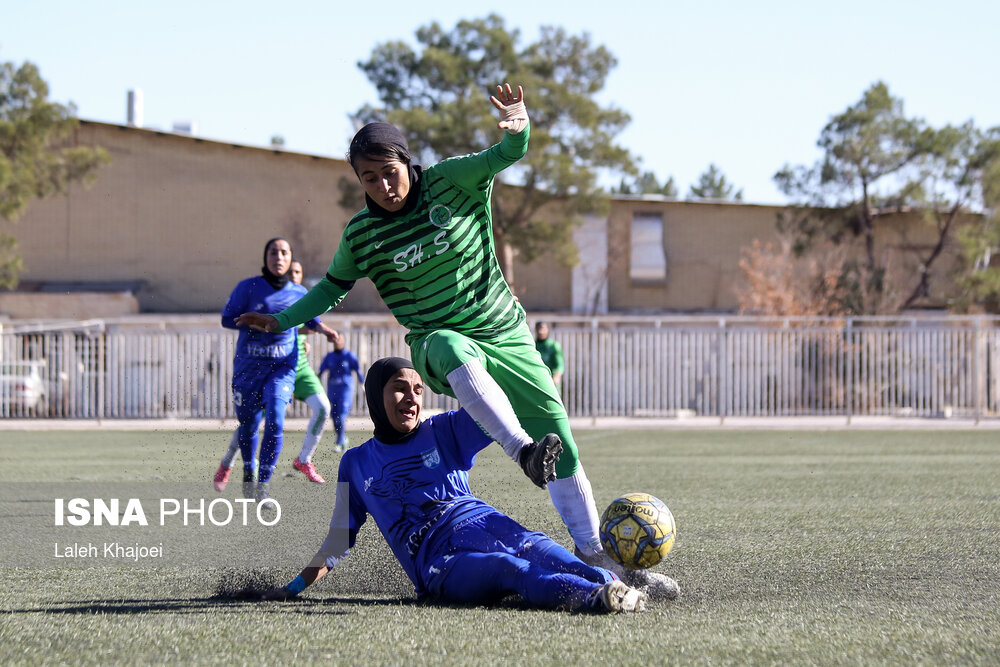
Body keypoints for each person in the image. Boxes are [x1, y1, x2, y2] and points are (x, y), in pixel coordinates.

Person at [235, 84, 678, 598]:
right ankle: (523, 452)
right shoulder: (360, 235)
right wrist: (285, 318)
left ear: (407, 161)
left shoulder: (451, 180)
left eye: (389, 171)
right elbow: (333, 286)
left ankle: (597, 556)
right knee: (450, 344)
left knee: (564, 439)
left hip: (505, 331)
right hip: (435, 340)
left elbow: (509, 152)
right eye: (369, 178)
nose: (382, 185)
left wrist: (518, 122)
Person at [260, 357, 648, 613]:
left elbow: (493, 400)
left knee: (549, 553)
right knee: (510, 569)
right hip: (438, 562)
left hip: (486, 523)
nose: (411, 397)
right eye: (399, 387)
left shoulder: (443, 430)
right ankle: (599, 599)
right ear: (376, 396)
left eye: (416, 389)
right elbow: (339, 541)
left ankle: (617, 586)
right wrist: (292, 588)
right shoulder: (356, 463)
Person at [221, 239, 337, 501]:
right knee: (249, 425)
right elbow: (226, 319)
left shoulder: (298, 292)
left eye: (284, 253)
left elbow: (312, 318)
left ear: (290, 259)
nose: (279, 257)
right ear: (266, 257)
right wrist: (255, 325)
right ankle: (248, 472)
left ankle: (263, 484)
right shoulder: (247, 287)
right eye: (274, 252)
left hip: (282, 367)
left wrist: (326, 330)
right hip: (249, 367)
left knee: (276, 419)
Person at [317, 331, 365, 452]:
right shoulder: (329, 357)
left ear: (343, 341)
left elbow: (358, 372)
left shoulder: (350, 356)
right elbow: (320, 372)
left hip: (345, 390)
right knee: (334, 416)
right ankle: (343, 438)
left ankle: (338, 443)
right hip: (332, 389)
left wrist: (363, 385)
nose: (338, 341)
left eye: (340, 339)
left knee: (341, 416)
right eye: (336, 339)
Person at [534, 321, 564, 388]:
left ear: (547, 330)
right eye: (539, 329)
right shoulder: (533, 346)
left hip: (552, 382)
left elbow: (560, 365)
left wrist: (556, 377)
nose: (541, 331)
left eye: (543, 328)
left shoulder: (553, 346)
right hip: (537, 382)